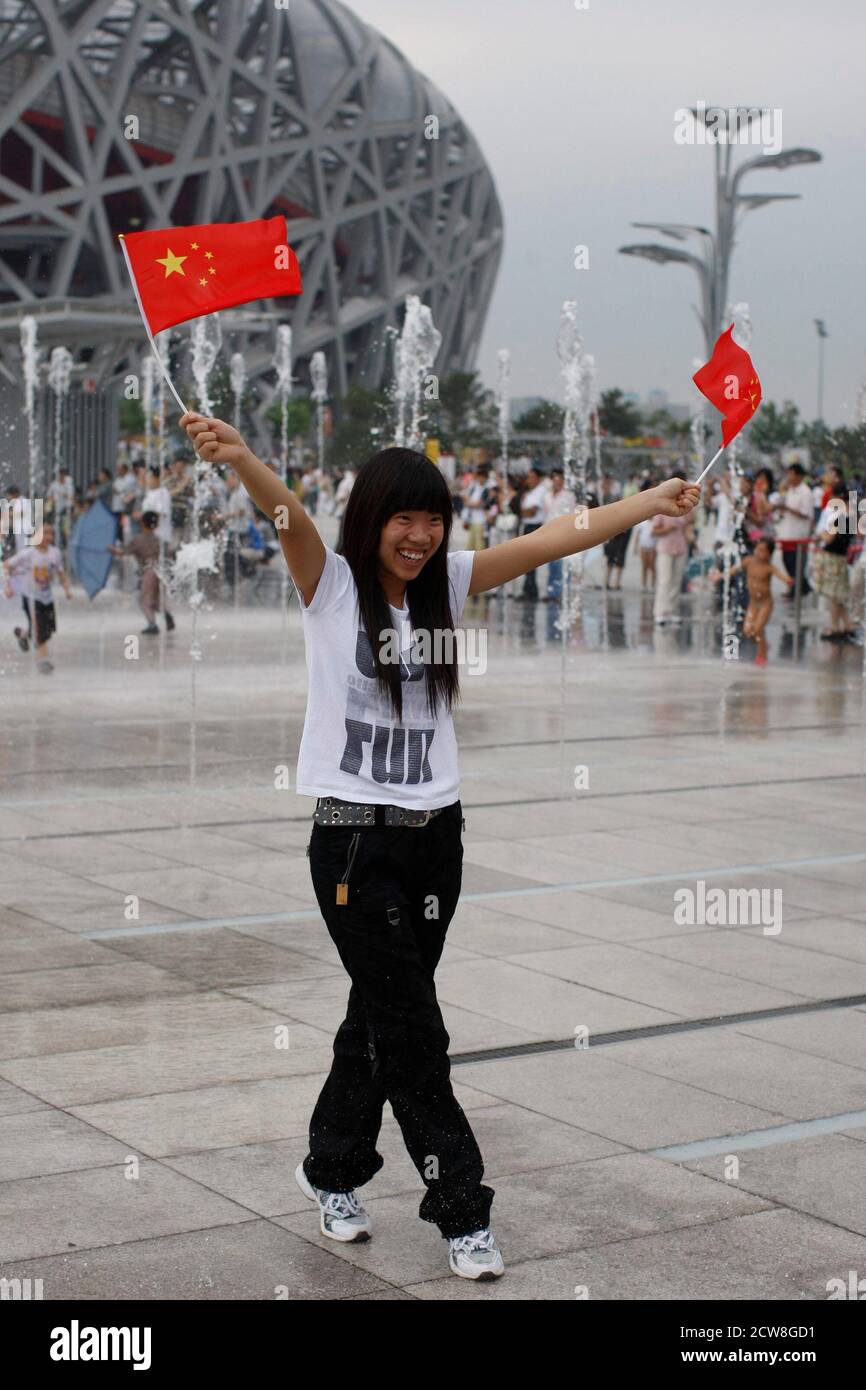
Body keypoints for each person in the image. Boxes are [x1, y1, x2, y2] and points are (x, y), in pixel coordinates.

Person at [179, 407, 701, 1282]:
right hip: (352, 842)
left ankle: (331, 1168)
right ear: (371, 520)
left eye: (432, 520)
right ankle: (461, 1207)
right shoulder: (332, 585)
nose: (418, 537)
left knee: (381, 1017)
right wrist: (241, 459)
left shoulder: (449, 582)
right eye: (402, 519)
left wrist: (646, 501)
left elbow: (552, 539)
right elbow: (290, 520)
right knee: (417, 1030)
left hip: (438, 839)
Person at [3, 522, 72, 672]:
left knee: (47, 629)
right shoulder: (28, 554)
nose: (48, 537)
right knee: (40, 628)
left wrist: (67, 589)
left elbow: (60, 573)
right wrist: (8, 586)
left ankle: (23, 634)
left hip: (47, 597)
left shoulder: (55, 553)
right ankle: (43, 660)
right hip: (31, 598)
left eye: (51, 534)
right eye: (45, 533)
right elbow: (6, 565)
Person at [712, 538, 793, 665]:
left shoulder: (769, 567)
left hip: (765, 604)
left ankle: (762, 656)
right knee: (748, 630)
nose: (758, 553)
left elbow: (781, 575)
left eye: (762, 551)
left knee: (758, 628)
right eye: (757, 549)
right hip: (753, 604)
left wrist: (788, 580)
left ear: (769, 554)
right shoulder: (749, 561)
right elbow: (735, 569)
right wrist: (721, 575)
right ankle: (764, 644)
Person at [109, 510, 175, 635]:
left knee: (145, 599)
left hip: (149, 572)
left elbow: (123, 552)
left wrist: (112, 550)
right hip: (161, 571)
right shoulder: (160, 540)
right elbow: (170, 555)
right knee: (158, 597)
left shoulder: (138, 540)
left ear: (142, 523)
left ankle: (152, 624)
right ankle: (166, 613)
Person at [813, 481, 855, 642]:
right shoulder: (851, 513)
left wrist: (820, 535)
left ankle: (835, 627)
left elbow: (829, 537)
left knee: (833, 596)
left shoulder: (839, 514)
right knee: (839, 596)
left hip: (831, 558)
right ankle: (847, 625)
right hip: (842, 557)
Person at [652, 476, 694, 625]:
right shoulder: (662, 508)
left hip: (680, 547)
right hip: (665, 548)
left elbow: (690, 523)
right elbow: (654, 531)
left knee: (676, 581)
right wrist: (668, 528)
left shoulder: (685, 506)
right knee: (665, 581)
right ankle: (660, 612)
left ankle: (673, 611)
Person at [774, 463, 813, 599]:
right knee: (787, 561)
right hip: (786, 533)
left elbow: (806, 513)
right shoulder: (789, 490)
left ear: (798, 476)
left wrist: (788, 508)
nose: (789, 477)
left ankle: (798, 590)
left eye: (791, 474)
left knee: (796, 564)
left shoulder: (806, 492)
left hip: (798, 535)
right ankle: (800, 587)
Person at [543, 467, 575, 600]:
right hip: (548, 533)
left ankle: (561, 592)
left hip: (563, 533)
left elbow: (572, 514)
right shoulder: (547, 495)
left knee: (562, 564)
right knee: (551, 565)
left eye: (559, 478)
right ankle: (551, 592)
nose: (557, 481)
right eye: (554, 478)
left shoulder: (569, 496)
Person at [518, 465, 548, 600]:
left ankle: (531, 590)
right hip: (527, 525)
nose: (529, 480)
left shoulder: (541, 491)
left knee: (531, 560)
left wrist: (520, 512)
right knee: (526, 559)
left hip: (534, 526)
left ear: (538, 478)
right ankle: (529, 589)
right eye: (528, 477)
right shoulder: (530, 492)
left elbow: (532, 511)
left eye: (531, 477)